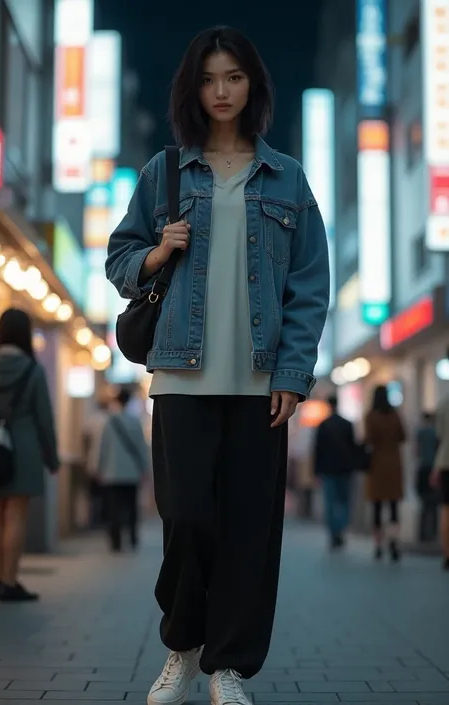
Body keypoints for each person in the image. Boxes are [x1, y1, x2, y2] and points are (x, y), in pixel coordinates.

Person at [106, 26, 329, 705]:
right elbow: (119, 260)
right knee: (186, 517)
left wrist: (293, 374)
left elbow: (309, 285)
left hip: (259, 384)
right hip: (179, 374)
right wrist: (155, 251)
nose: (222, 90)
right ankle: (183, 643)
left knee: (249, 531)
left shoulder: (287, 178)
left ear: (252, 85)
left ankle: (228, 666)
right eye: (209, 79)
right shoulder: (165, 173)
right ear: (192, 91)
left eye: (233, 77)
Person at [0, 308, 59, 601]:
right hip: (23, 448)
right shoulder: (32, 370)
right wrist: (52, 456)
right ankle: (10, 581)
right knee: (16, 516)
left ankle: (0, 579)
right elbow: (44, 418)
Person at [98, 387, 150, 552]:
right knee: (132, 506)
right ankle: (133, 538)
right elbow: (142, 448)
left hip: (112, 473)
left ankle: (116, 541)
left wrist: (99, 468)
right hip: (131, 472)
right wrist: (144, 468)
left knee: (113, 507)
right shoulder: (135, 421)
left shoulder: (110, 422)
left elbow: (103, 448)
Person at [365, 385, 406, 562]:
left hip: (376, 465)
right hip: (394, 464)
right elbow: (404, 436)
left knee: (377, 507)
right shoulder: (395, 414)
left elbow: (367, 439)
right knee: (394, 506)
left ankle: (378, 546)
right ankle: (394, 542)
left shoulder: (370, 416)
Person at [314, 395, 357, 550]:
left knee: (330, 502)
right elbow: (353, 447)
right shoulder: (347, 424)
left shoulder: (324, 425)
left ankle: (334, 532)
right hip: (345, 469)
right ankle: (341, 528)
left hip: (328, 469)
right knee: (344, 501)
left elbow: (317, 450)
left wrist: (316, 470)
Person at [82, 390, 110, 528]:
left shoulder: (91, 420)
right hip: (109, 465)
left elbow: (85, 440)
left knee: (94, 495)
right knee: (107, 496)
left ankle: (93, 521)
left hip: (93, 462)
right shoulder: (111, 419)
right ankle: (105, 521)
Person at [431, 394, 449, 570]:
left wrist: (435, 468)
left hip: (445, 461)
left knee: (446, 508)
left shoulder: (444, 403)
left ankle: (447, 553)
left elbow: (439, 435)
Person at [415, 412, 439, 543]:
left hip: (423, 469)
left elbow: (416, 452)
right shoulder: (435, 433)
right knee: (434, 505)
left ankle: (422, 534)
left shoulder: (420, 432)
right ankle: (433, 533)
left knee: (424, 505)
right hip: (434, 469)